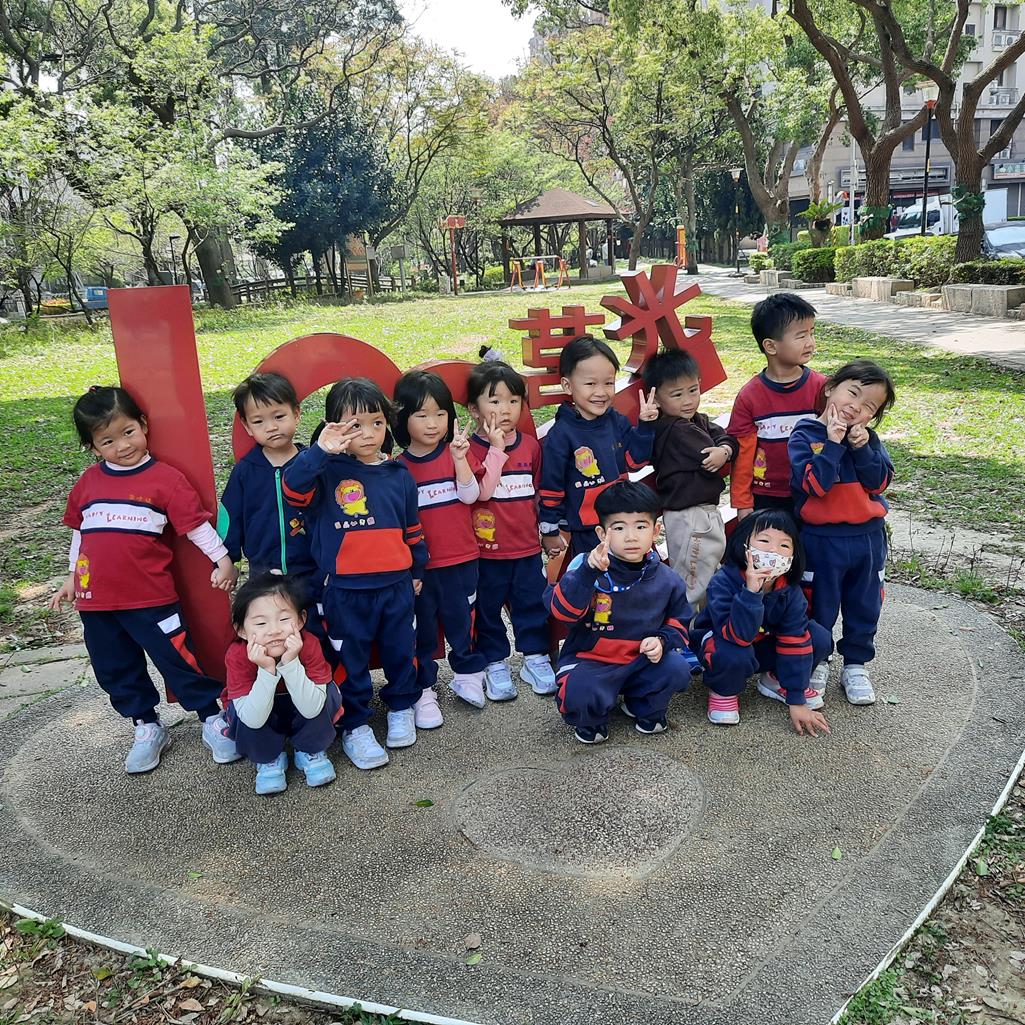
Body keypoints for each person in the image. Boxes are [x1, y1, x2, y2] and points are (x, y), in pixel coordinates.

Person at [48, 386, 240, 773]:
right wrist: (71, 577)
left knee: (178, 659)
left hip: (152, 599)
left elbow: (195, 527)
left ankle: (210, 717)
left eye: (128, 432)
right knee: (115, 666)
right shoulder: (88, 484)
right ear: (92, 447)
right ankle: (146, 725)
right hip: (96, 602)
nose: (122, 445)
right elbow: (81, 533)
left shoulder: (165, 480)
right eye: (108, 440)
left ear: (143, 425)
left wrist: (223, 560)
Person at [282, 378, 425, 771]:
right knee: (350, 657)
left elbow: (412, 528)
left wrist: (417, 568)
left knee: (401, 650)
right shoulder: (323, 471)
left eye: (377, 422)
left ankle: (401, 706)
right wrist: (319, 451)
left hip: (396, 586)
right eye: (355, 425)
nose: (368, 433)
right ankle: (355, 724)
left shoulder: (399, 474)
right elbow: (292, 490)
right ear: (334, 426)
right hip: (344, 590)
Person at [544, 481, 693, 744]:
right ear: (602, 533)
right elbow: (563, 613)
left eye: (641, 526)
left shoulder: (667, 579)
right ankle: (591, 717)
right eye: (619, 527)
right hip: (591, 660)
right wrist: (587, 573)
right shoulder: (586, 567)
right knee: (580, 691)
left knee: (677, 668)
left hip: (640, 660)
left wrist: (662, 640)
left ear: (656, 531)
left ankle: (641, 704)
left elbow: (679, 622)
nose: (631, 536)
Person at [789, 358, 896, 706]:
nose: (856, 407)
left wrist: (861, 448)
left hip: (868, 537)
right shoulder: (805, 434)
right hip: (821, 539)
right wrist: (833, 444)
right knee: (817, 603)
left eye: (869, 407)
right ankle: (818, 659)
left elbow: (879, 483)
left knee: (865, 603)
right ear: (830, 388)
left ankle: (856, 664)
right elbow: (814, 486)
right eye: (853, 393)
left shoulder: (868, 440)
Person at [394, 370, 488, 718]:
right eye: (421, 415)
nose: (432, 423)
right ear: (403, 418)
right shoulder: (397, 469)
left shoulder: (456, 453)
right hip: (420, 569)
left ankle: (468, 674)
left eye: (440, 414)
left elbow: (471, 495)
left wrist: (461, 461)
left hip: (461, 559)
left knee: (463, 619)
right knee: (421, 629)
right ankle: (423, 689)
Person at [219, 373, 332, 654]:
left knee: (317, 636)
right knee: (273, 639)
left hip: (312, 571)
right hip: (264, 574)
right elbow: (230, 518)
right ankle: (276, 679)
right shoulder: (245, 472)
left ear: (297, 414)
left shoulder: (312, 467)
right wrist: (228, 560)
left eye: (279, 416)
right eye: (259, 421)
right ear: (246, 425)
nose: (271, 427)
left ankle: (322, 680)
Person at [693, 510, 832, 734]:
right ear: (744, 545)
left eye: (784, 545)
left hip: (763, 644)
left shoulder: (789, 590)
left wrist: (796, 698)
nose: (773, 550)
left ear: (794, 556)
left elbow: (794, 640)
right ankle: (723, 690)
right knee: (733, 653)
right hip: (725, 643)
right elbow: (737, 636)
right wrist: (751, 593)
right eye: (764, 541)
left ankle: (776, 679)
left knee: (819, 638)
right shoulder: (723, 581)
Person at [465, 355, 556, 700]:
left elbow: (539, 493)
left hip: (526, 548)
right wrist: (495, 450)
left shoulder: (530, 447)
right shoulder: (466, 450)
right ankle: (494, 662)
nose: (505, 410)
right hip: (484, 552)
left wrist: (546, 533)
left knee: (531, 603)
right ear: (474, 409)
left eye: (513, 401)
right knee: (487, 608)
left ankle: (535, 656)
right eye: (494, 401)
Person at [538, 335, 659, 562]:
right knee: (595, 578)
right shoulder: (561, 435)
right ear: (567, 385)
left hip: (624, 523)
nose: (601, 392)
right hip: (587, 529)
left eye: (608, 383)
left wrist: (645, 427)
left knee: (635, 575)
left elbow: (635, 462)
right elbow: (551, 488)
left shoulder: (617, 421)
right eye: (591, 384)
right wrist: (550, 531)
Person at [223, 573, 342, 795]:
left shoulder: (308, 644)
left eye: (284, 619)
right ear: (241, 630)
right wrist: (267, 670)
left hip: (302, 703)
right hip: (258, 710)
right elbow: (252, 718)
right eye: (261, 623)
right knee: (243, 711)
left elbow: (312, 708)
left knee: (325, 694)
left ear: (301, 620)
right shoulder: (238, 655)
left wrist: (290, 662)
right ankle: (268, 756)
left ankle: (309, 749)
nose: (274, 630)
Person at [643, 347, 738, 610]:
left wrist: (725, 449)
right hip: (689, 516)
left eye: (693, 390)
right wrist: (723, 448)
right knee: (692, 580)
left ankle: (703, 625)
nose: (688, 400)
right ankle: (685, 628)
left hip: (702, 512)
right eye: (677, 394)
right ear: (656, 398)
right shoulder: (676, 428)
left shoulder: (695, 420)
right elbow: (708, 447)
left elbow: (726, 438)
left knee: (707, 572)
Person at [727, 293, 826, 522]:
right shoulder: (750, 396)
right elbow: (742, 454)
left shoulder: (823, 388)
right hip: (768, 496)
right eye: (801, 336)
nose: (810, 343)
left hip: (814, 490)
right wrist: (743, 503)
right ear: (770, 346)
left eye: (812, 333)